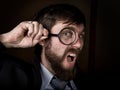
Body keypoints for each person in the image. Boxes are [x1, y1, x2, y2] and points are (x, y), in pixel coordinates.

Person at [0, 3, 86, 90]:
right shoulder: (10, 76)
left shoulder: (89, 81)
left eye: (81, 35)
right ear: (43, 39)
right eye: (67, 34)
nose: (79, 44)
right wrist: (5, 39)